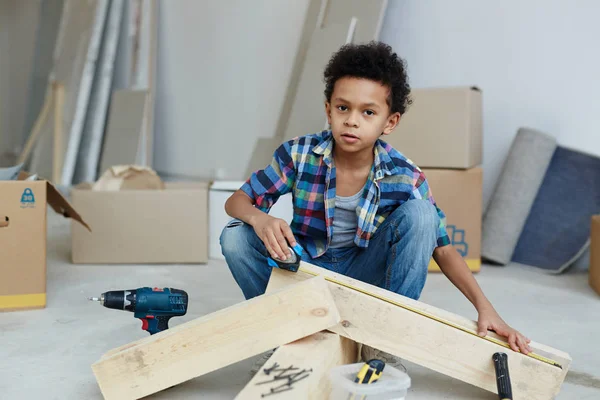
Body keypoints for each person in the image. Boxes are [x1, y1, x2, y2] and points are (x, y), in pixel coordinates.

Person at [220, 41, 531, 372]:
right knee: (235, 235)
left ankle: (383, 338)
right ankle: (284, 329)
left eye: (368, 112)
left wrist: (486, 308)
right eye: (343, 108)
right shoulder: (298, 154)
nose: (352, 121)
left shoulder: (404, 175)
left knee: (422, 215)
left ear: (390, 121)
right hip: (305, 268)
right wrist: (260, 218)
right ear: (328, 110)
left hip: (365, 279)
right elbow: (236, 201)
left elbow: (443, 248)